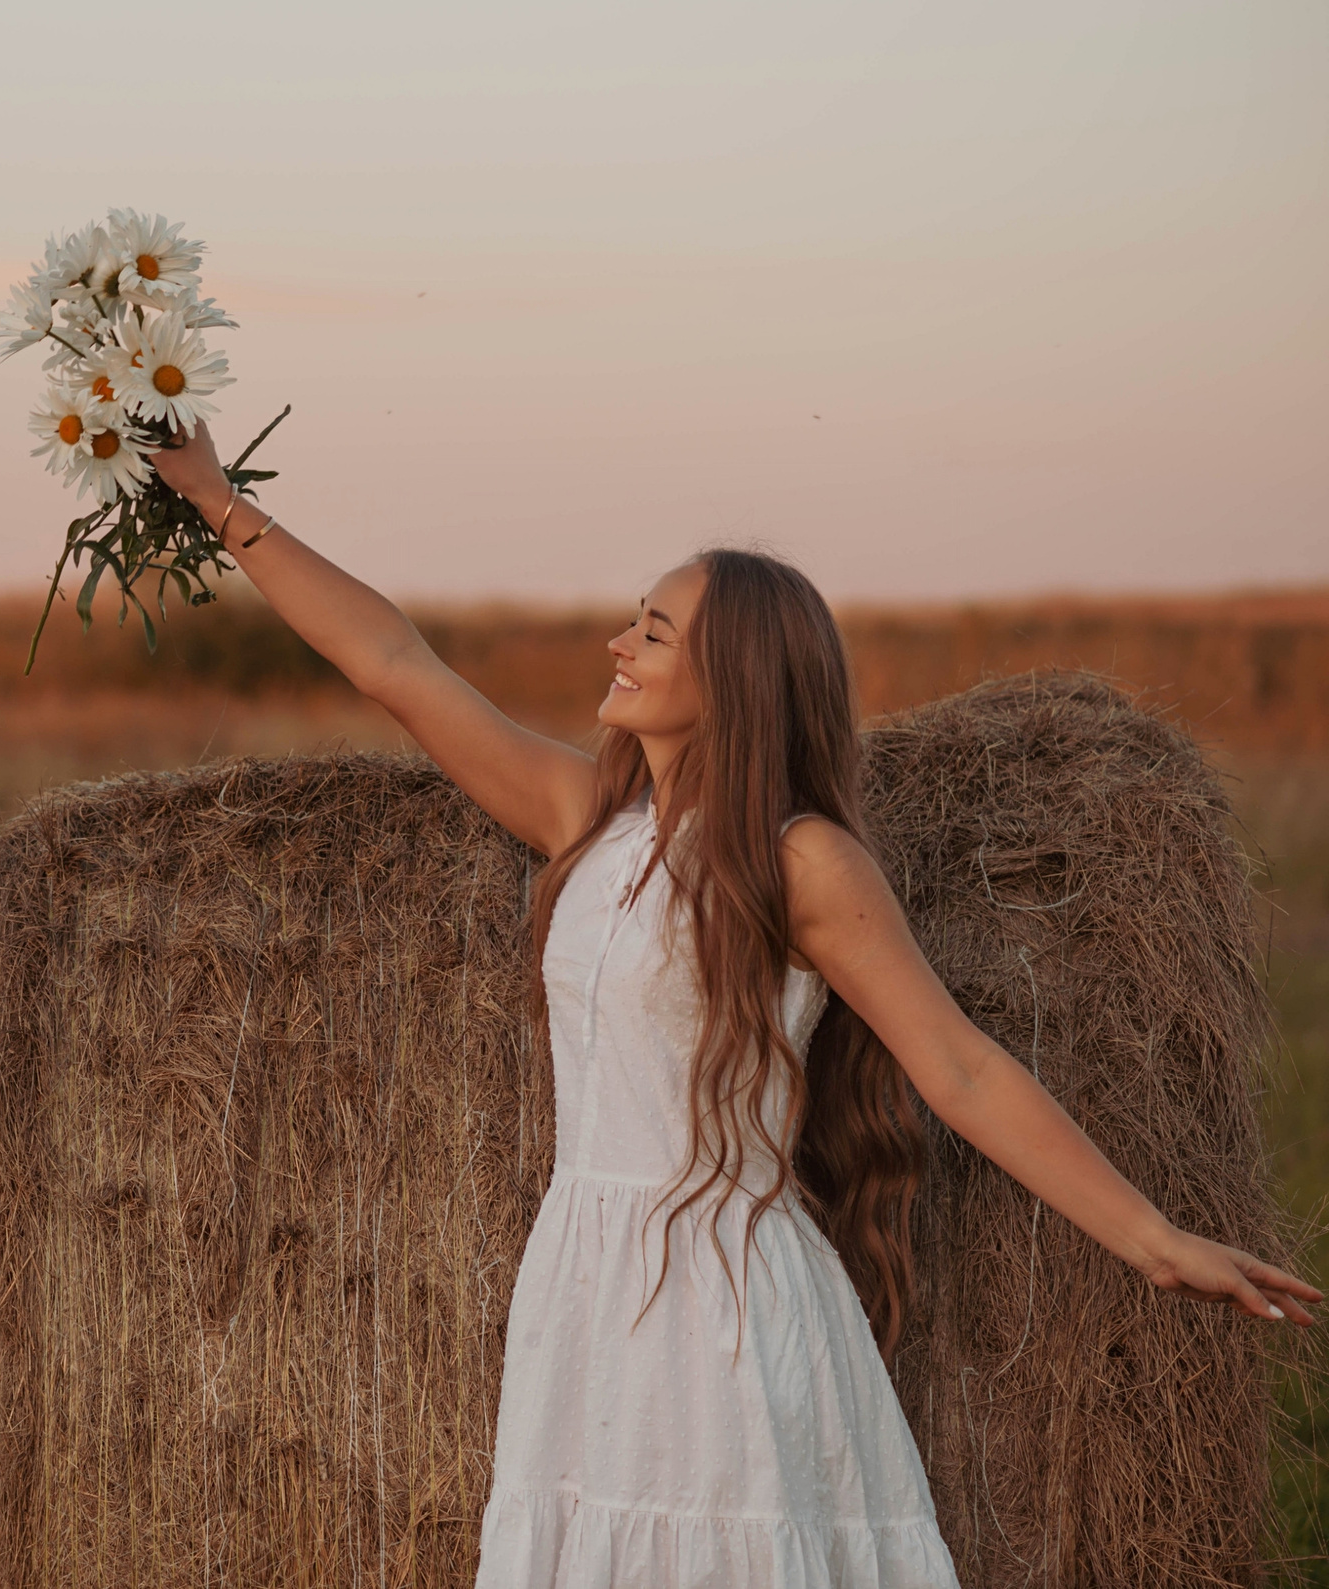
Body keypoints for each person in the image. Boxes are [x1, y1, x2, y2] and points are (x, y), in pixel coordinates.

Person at [147, 421, 1318, 1588]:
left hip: (725, 1302)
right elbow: (394, 663)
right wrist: (211, 497)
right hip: (583, 1290)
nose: (618, 642)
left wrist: (1150, 1237)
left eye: (653, 630)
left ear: (736, 676)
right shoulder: (585, 823)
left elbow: (954, 1068)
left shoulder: (799, 862)